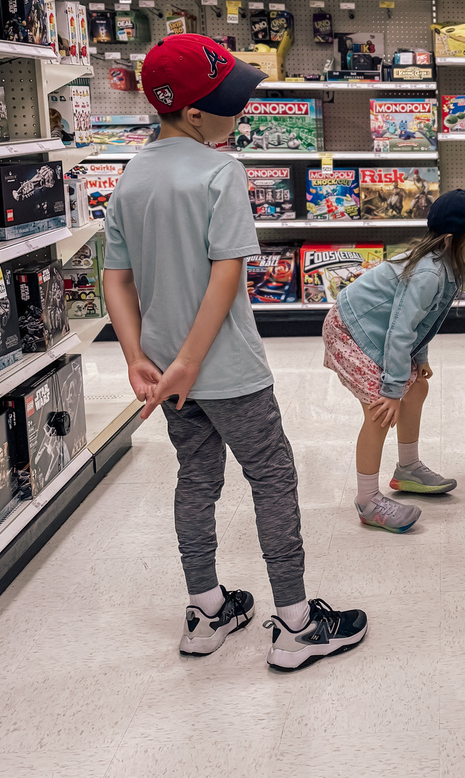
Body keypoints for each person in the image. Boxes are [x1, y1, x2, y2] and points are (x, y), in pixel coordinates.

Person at [102, 34, 366, 670]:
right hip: (226, 369)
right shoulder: (223, 172)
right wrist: (196, 359)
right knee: (271, 477)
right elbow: (226, 275)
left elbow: (116, 276)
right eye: (231, 102)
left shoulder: (131, 175)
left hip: (165, 371)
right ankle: (298, 625)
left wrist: (140, 356)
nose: (241, 110)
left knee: (196, 478)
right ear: (195, 114)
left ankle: (206, 608)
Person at [323, 190, 465, 533]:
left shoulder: (451, 266)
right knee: (381, 410)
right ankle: (367, 500)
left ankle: (408, 469)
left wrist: (419, 358)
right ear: (450, 238)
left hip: (380, 328)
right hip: (352, 329)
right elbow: (399, 329)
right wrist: (392, 389)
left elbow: (419, 321)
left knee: (418, 388)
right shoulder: (429, 273)